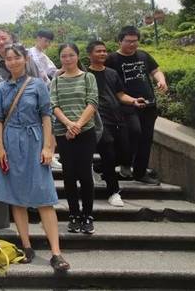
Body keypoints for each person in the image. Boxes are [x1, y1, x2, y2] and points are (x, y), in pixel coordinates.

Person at [0, 44, 69, 272]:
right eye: (8, 59)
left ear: (25, 59)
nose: (13, 62)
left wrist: (48, 147)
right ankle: (26, 246)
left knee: (44, 197)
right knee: (16, 198)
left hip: (34, 140)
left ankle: (56, 253)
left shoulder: (37, 85)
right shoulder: (1, 88)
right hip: (10, 142)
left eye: (16, 58)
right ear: (4, 62)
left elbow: (47, 116)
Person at [87, 41, 150, 207]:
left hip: (118, 118)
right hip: (99, 121)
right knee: (108, 151)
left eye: (104, 51)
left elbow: (121, 95)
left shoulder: (112, 73)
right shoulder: (85, 75)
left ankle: (97, 168)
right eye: (98, 51)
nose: (102, 54)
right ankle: (113, 192)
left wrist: (134, 101)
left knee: (125, 153)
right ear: (89, 55)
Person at [105, 26, 168, 185]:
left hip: (149, 105)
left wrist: (161, 80)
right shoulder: (112, 59)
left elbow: (156, 71)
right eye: (128, 41)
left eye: (135, 41)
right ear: (120, 41)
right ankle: (113, 164)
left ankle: (140, 172)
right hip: (126, 106)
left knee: (146, 139)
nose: (132, 44)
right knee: (133, 133)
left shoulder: (144, 55)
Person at [50, 43, 98, 234]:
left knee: (85, 175)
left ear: (77, 57)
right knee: (69, 176)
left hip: (86, 132)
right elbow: (53, 104)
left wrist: (77, 125)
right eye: (63, 56)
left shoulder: (88, 77)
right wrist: (69, 124)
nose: (67, 59)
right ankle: (74, 215)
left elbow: (92, 102)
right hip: (64, 133)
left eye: (71, 55)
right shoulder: (55, 81)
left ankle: (88, 215)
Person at [26, 30, 62, 170]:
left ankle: (51, 154)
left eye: (48, 41)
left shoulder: (44, 56)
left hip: (45, 92)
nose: (47, 44)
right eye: (45, 40)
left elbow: (53, 72)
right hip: (29, 91)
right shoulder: (28, 53)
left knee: (50, 122)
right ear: (38, 38)